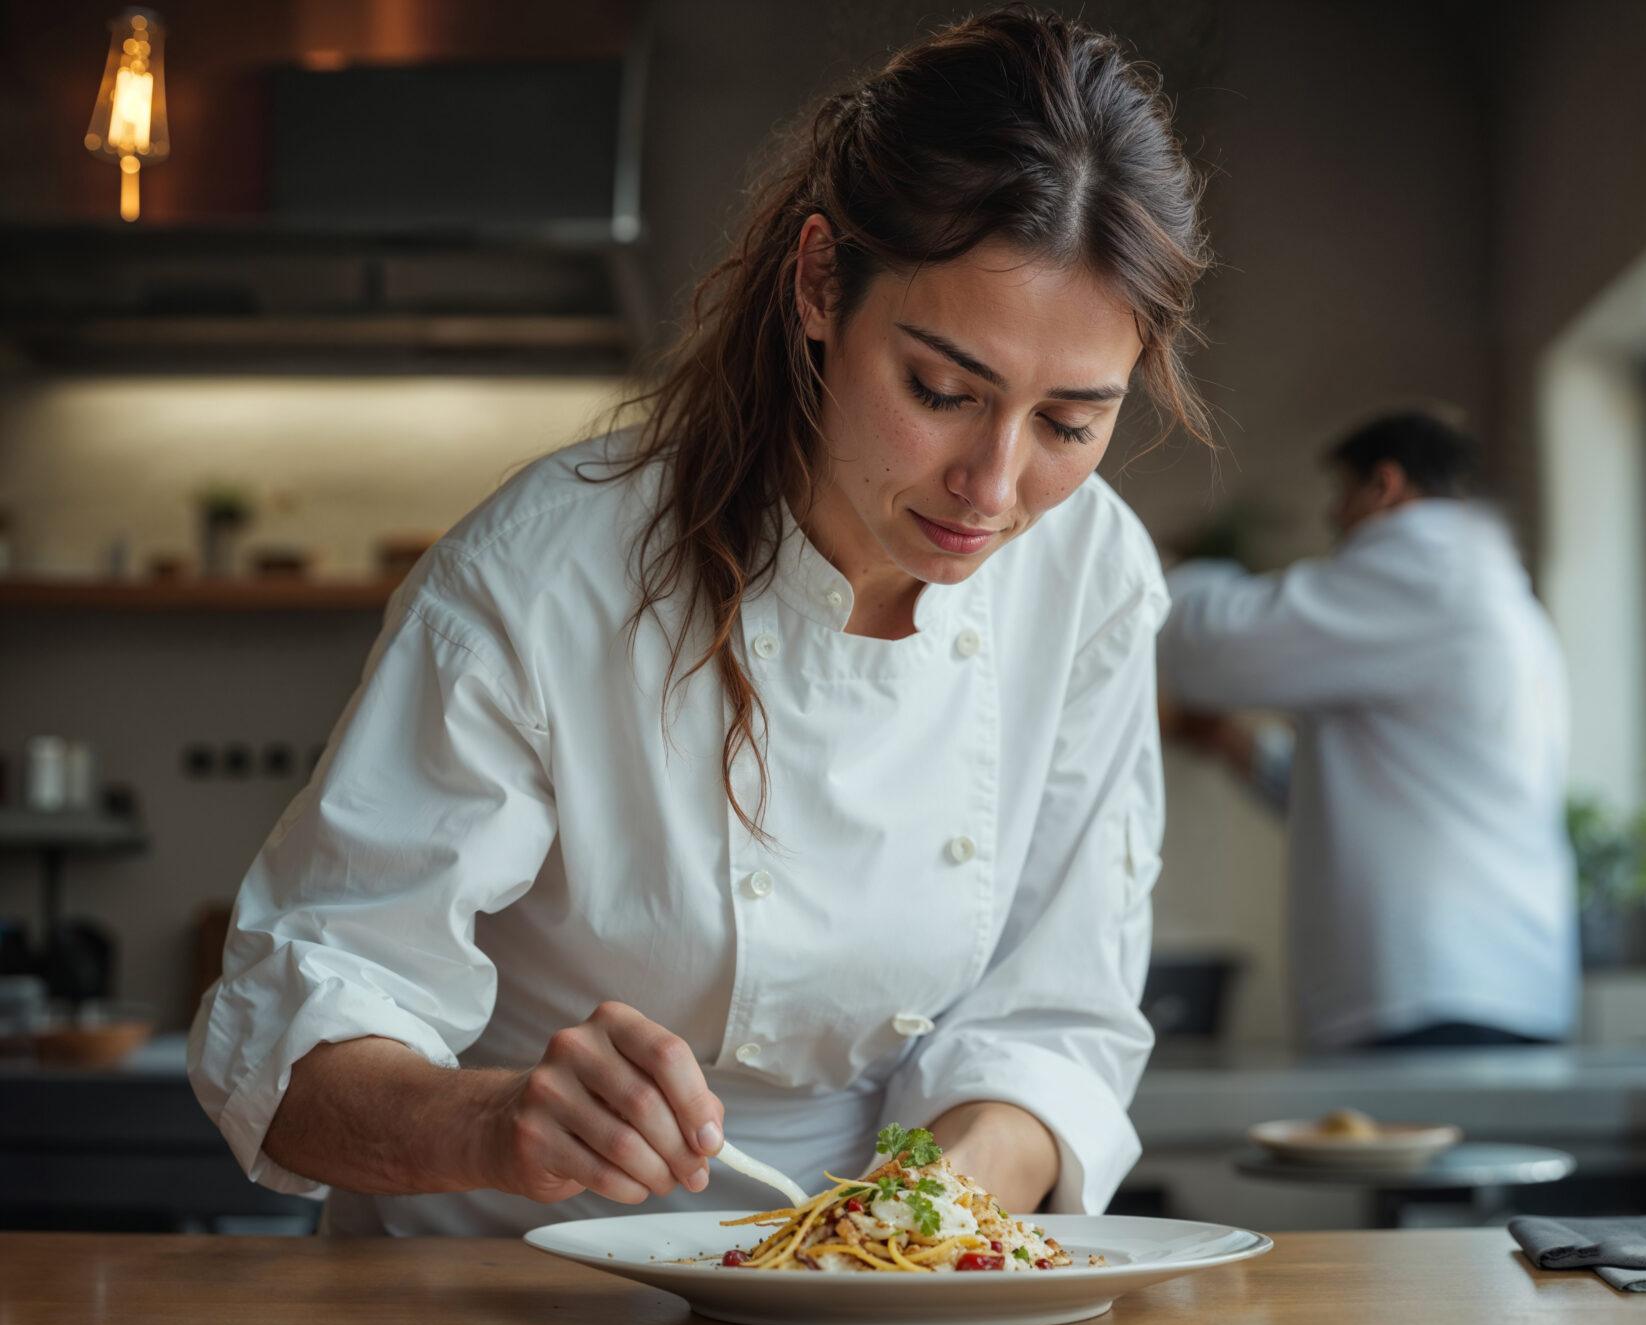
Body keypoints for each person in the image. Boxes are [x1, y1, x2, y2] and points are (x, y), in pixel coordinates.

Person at [187, 7, 1215, 1235]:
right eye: (942, 391)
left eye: (1068, 424)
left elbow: (1050, 1022)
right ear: (821, 281)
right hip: (509, 1289)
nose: (991, 490)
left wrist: (889, 1233)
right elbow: (292, 1038)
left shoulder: (1087, 573)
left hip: (876, 1293)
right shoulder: (544, 576)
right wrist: (489, 1120)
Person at [1156, 411, 1576, 1051]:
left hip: (1434, 995)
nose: (1334, 519)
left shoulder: (1422, 570)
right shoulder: (1497, 600)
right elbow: (1355, 785)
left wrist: (1167, 565)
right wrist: (1230, 743)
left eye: (1341, 495)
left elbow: (1208, 647)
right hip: (1496, 984)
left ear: (1385, 485)